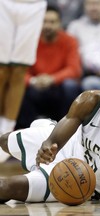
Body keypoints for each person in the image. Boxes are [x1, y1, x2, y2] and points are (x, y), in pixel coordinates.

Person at [0, 68, 100, 204]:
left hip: (78, 182)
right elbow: (54, 141)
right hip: (69, 146)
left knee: (4, 188)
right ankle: (47, 127)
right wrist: (49, 146)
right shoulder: (90, 100)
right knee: (4, 140)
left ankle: (44, 128)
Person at [16, 5, 82, 129]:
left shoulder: (70, 41)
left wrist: (52, 79)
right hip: (34, 87)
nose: (47, 26)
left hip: (58, 87)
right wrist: (32, 80)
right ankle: (25, 131)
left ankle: (65, 130)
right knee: (18, 85)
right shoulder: (30, 40)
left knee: (71, 86)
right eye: (44, 21)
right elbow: (20, 70)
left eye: (52, 22)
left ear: (60, 23)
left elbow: (74, 69)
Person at [0, 0, 47, 162]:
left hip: (33, 5)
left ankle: (5, 132)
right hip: (4, 3)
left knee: (19, 70)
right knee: (1, 71)